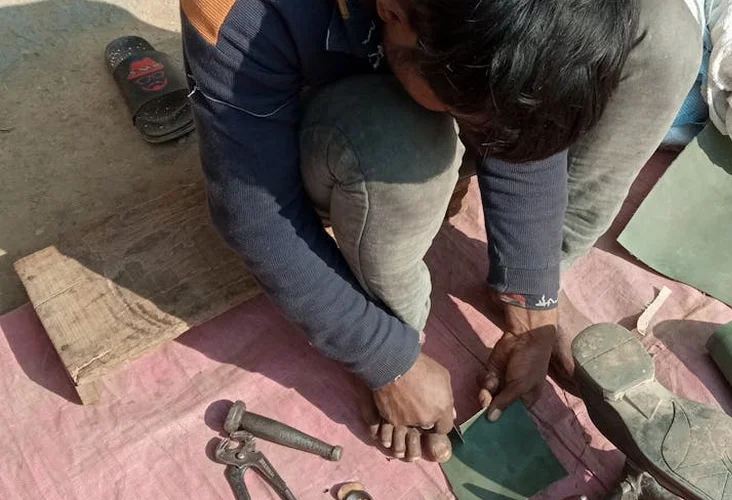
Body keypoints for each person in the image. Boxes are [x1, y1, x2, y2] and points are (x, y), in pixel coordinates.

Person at [181, 0, 701, 463]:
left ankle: (538, 283)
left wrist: (532, 296)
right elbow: (255, 214)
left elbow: (524, 105)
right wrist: (384, 358)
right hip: (339, 132)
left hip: (441, 62)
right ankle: (392, 324)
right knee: (398, 148)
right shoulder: (238, 12)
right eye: (473, 115)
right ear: (393, 13)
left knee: (661, 31)